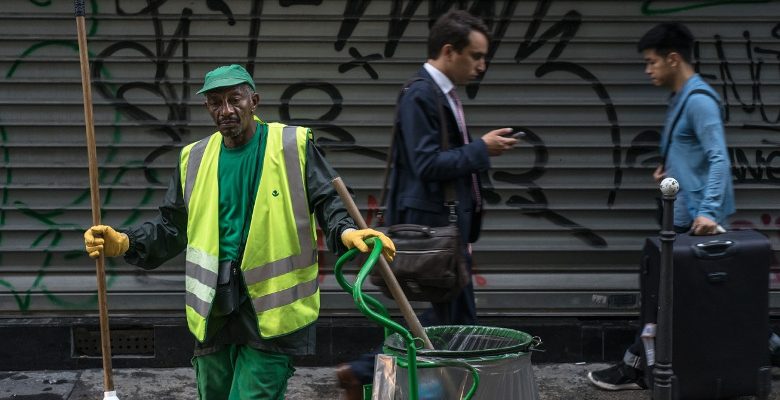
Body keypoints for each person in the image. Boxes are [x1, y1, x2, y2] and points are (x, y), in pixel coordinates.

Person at [82, 64, 396, 400]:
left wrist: (347, 232)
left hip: (271, 311)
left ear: (254, 100)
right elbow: (172, 227)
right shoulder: (193, 158)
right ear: (208, 108)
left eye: (235, 99)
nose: (227, 110)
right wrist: (126, 242)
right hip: (215, 310)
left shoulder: (292, 145)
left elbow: (328, 200)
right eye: (216, 103)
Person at [336, 10, 518, 399]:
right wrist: (481, 149)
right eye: (476, 56)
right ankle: (364, 371)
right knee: (455, 324)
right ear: (449, 51)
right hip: (432, 233)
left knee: (451, 322)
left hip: (444, 232)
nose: (481, 66)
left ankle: (373, 373)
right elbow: (427, 163)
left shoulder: (437, 94)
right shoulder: (421, 94)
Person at [587, 21, 761, 390]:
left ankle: (632, 366)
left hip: (696, 223)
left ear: (673, 58)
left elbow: (718, 159)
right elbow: (695, 156)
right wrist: (669, 169)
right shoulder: (681, 98)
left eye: (651, 62)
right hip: (681, 215)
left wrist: (709, 212)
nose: (647, 69)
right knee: (711, 302)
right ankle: (768, 347)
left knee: (660, 299)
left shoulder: (698, 101)